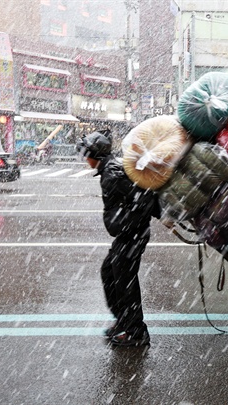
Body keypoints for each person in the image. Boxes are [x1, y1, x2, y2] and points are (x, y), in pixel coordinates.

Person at [76, 129, 160, 347]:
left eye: (87, 154)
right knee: (110, 273)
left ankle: (136, 332)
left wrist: (127, 223)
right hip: (128, 234)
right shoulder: (110, 169)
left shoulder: (112, 173)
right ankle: (124, 321)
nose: (86, 159)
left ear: (96, 155)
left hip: (132, 234)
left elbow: (144, 199)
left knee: (125, 283)